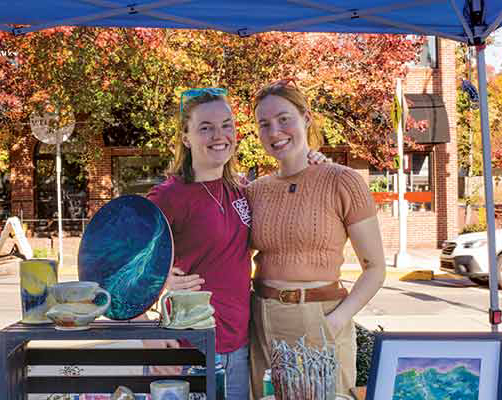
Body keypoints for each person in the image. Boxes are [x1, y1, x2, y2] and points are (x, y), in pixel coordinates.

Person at [144, 88, 327, 400]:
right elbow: (118, 266)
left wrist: (311, 160)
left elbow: (288, 194)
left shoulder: (243, 189)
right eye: (206, 128)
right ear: (186, 138)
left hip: (237, 347)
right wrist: (149, 321)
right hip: (186, 350)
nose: (219, 135)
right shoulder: (168, 196)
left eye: (226, 125)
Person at [246, 79, 386, 398]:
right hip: (263, 321)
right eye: (264, 124)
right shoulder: (254, 192)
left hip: (321, 317)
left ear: (306, 118)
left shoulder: (343, 181)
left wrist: (336, 322)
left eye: (284, 119)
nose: (275, 131)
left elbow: (375, 268)